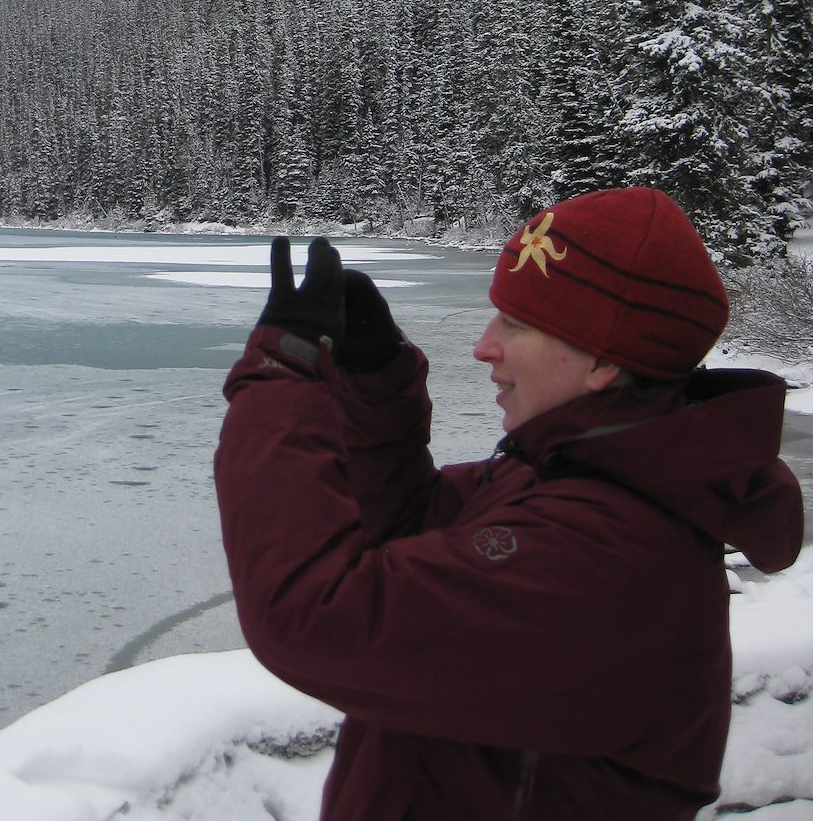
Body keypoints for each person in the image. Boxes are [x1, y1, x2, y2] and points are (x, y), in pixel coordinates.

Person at [214, 187, 804, 820]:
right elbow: (406, 527)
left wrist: (281, 378)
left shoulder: (604, 554)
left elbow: (316, 618)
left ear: (604, 359)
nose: (483, 346)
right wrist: (375, 377)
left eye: (516, 324)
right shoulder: (567, 482)